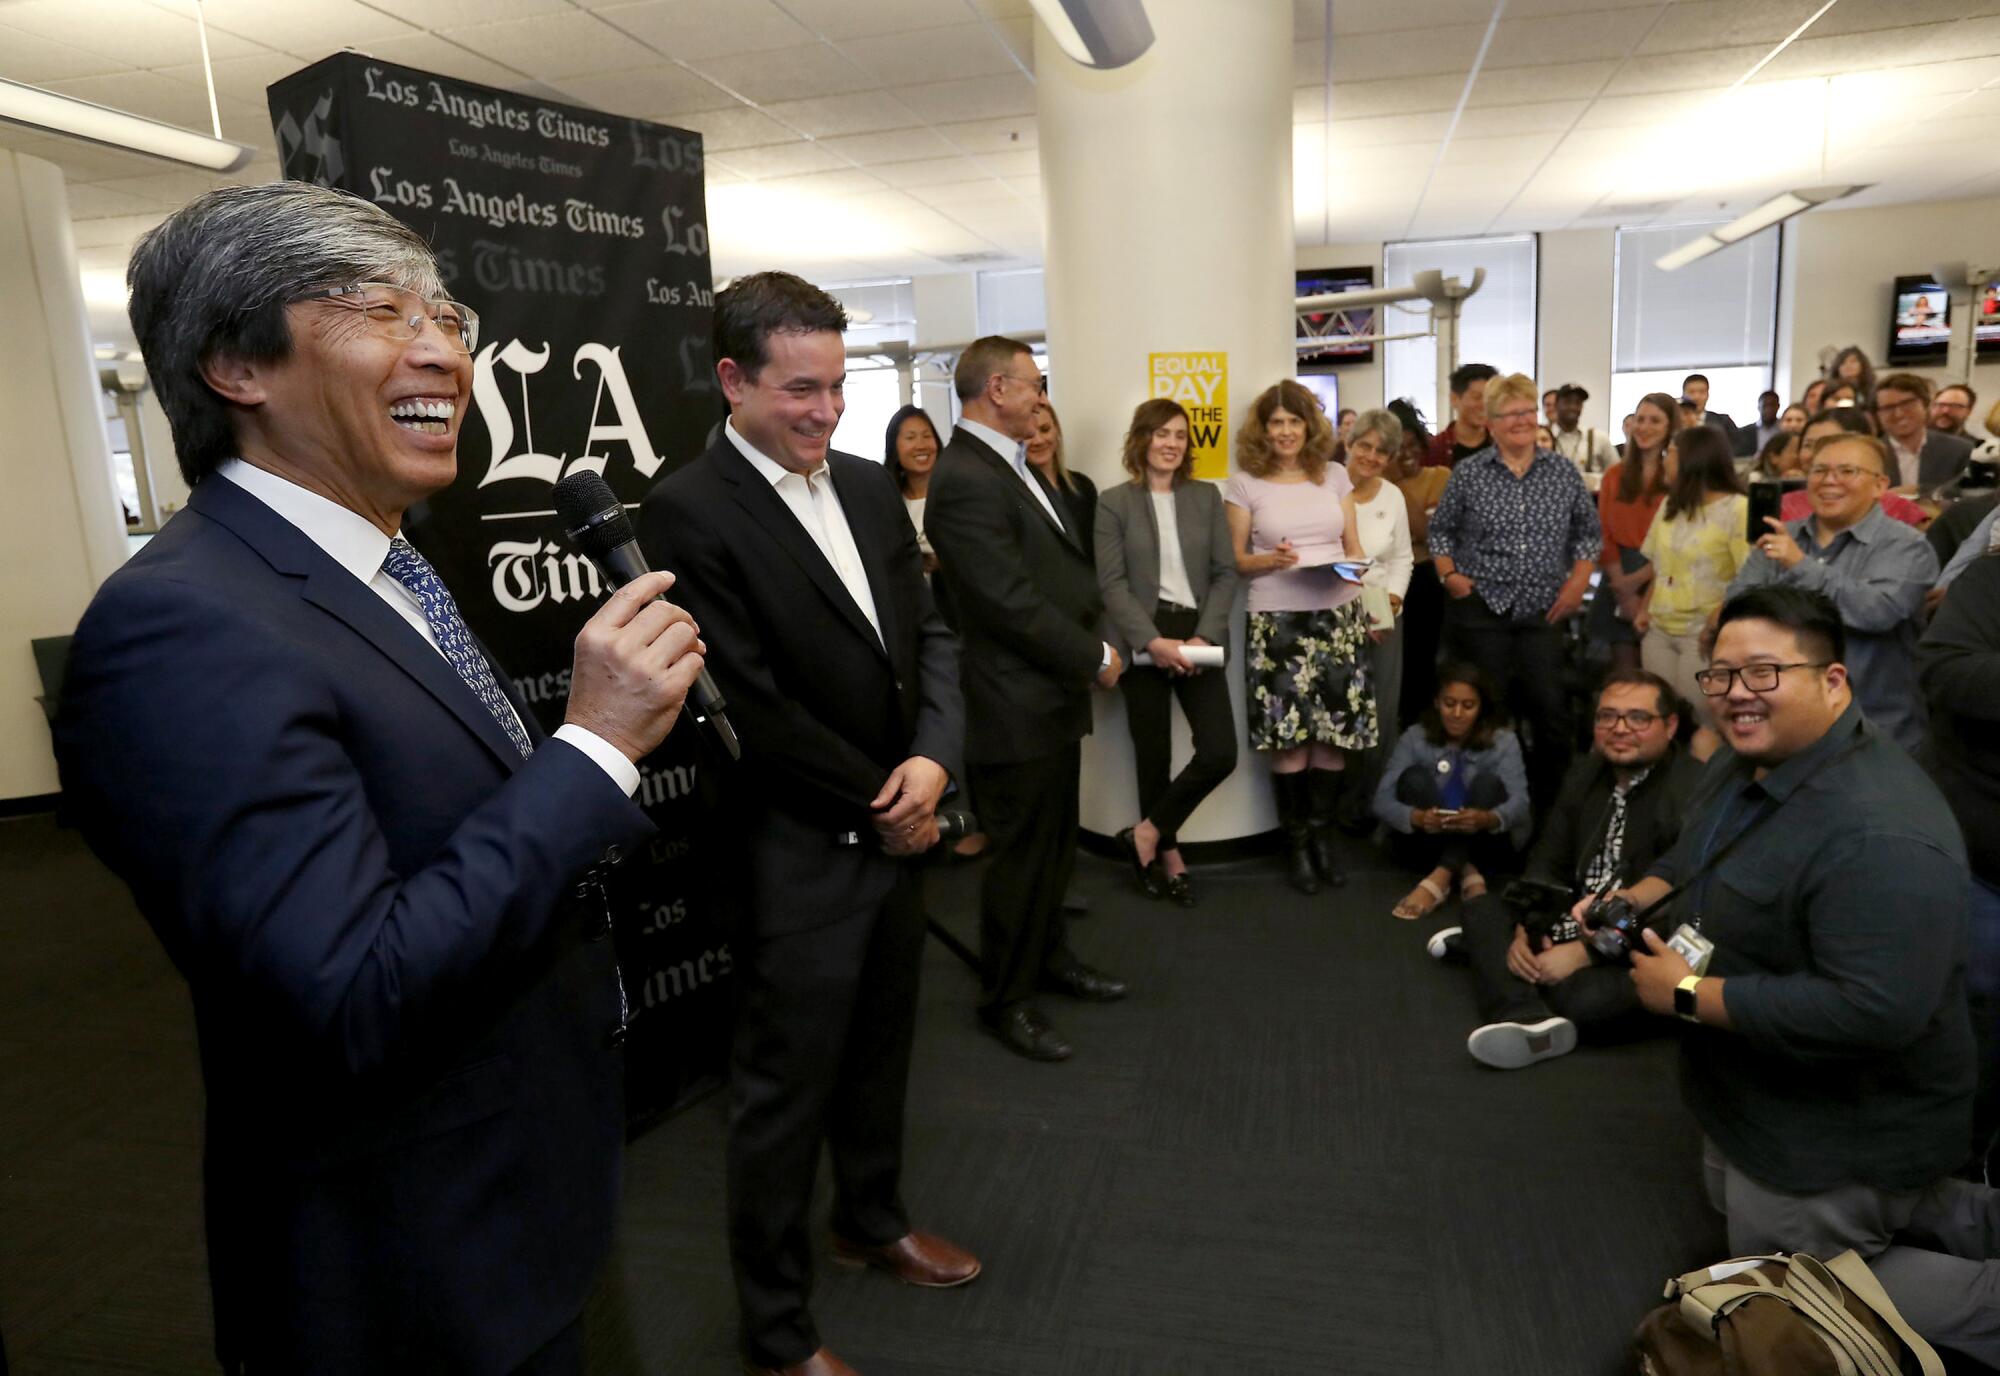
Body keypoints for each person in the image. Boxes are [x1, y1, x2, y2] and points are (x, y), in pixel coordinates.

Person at [53, 182, 707, 1374]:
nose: (441, 352)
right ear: (233, 365)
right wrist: (597, 745)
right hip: (409, 1266)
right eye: (375, 310)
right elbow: (349, 989)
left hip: (518, 1190)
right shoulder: (181, 626)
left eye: (446, 315)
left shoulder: (384, 565)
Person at [640, 273, 976, 1376]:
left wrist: (931, 760)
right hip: (793, 852)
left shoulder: (876, 487)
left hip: (897, 822)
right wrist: (889, 801)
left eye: (836, 386)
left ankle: (869, 1220)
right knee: (781, 1102)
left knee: (882, 1052)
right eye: (799, 390)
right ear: (732, 380)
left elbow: (929, 635)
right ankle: (777, 1331)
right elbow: (744, 705)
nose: (825, 412)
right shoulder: (686, 506)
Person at [1604, 586, 1999, 1367]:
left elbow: (1873, 1010)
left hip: (1836, 1129)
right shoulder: (1743, 760)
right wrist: (1639, 894)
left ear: (1834, 682)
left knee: (1786, 1291)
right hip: (1757, 1096)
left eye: (1764, 672)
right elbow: (1697, 852)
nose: (1735, 694)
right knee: (1877, 1210)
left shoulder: (1879, 831)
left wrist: (1685, 994)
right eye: (1720, 676)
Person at [925, 336, 1127, 1064]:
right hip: (1011, 704)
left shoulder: (1006, 464)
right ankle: (1006, 1000)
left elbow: (1055, 574)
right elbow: (1006, 602)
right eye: (1034, 384)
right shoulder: (966, 478)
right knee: (1018, 861)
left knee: (1051, 850)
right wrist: (1093, 655)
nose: (1042, 397)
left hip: (1044, 698)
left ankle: (1050, 960)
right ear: (998, 389)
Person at [1441, 670, 1703, 1069]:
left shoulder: (1692, 789)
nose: (1619, 729)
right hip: (1570, 914)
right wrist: (1527, 929)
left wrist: (1586, 954)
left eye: (1637, 718)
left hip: (1639, 938)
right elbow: (1549, 860)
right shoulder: (1586, 772)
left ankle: (1496, 967)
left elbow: (1679, 899)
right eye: (1607, 717)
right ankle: (1528, 1017)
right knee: (1483, 910)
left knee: (1585, 1000)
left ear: (1669, 726)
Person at [1223, 378, 1374, 894]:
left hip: (1337, 617)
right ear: (1263, 431)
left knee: (1332, 737)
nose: (1286, 431)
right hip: (1277, 621)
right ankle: (1298, 847)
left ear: (1309, 427)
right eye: (1276, 423)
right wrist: (1274, 559)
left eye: (1294, 421)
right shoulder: (1245, 484)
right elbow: (1235, 561)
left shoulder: (1334, 475)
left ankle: (1323, 838)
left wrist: (1353, 568)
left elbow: (1353, 546)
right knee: (1288, 740)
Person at [1428, 372, 1601, 810]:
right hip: (1483, 612)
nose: (1522, 420)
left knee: (1551, 715)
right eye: (1510, 413)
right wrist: (1450, 576)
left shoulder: (1562, 471)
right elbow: (1441, 532)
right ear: (1490, 422)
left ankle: (1551, 812)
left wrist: (1578, 582)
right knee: (1491, 715)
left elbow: (1588, 534)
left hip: (1545, 612)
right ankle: (1488, 810)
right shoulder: (1468, 474)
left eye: (1527, 410)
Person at [1096, 398, 1239, 908]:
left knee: (1220, 751)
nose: (1172, 443)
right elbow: (1111, 584)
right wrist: (1151, 642)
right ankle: (1169, 855)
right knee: (1152, 753)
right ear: (1142, 440)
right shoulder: (1114, 501)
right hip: (1143, 634)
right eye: (1161, 433)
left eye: (1180, 434)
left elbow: (1225, 573)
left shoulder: (1206, 496)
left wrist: (1204, 636)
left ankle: (1147, 831)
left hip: (1198, 632)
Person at [1727, 432, 1937, 756]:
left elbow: (1877, 612)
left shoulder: (1907, 545)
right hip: (1784, 725)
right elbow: (1738, 607)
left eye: (1847, 471)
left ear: (1880, 485)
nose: (1830, 481)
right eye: (1819, 471)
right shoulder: (1782, 535)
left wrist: (1798, 567)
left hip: (1875, 728)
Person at [1917, 547, 2000, 1177]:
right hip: (1983, 853)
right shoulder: (1990, 579)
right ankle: (1959, 1169)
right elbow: (1945, 670)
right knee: (1976, 1015)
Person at [1373, 665, 1530, 920]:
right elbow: (1381, 799)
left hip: (1484, 845)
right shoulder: (1416, 736)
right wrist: (1416, 817)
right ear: (1437, 703)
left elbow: (1520, 804)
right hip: (1427, 842)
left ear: (1482, 708)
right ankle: (1465, 870)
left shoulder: (1504, 741)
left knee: (1487, 783)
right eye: (1449, 704)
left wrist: (1486, 818)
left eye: (1468, 706)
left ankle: (1441, 876)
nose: (1457, 714)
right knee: (1414, 778)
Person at [1634, 426, 1749, 710]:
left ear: (1692, 458)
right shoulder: (1670, 505)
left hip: (1703, 634)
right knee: (1657, 714)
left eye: (1669, 453)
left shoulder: (1738, 509)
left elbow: (1749, 578)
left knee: (1697, 718)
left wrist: (1715, 621)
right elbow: (1660, 566)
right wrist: (1645, 607)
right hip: (1659, 628)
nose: (1663, 460)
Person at [1341, 408, 1415, 823]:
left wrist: (1392, 602)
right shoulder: (1327, 486)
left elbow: (1402, 558)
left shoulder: (1392, 495)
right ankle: (1336, 806)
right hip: (1334, 609)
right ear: (1348, 444)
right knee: (1340, 710)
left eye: (1381, 452)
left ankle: (1371, 805)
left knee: (1381, 712)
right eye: (1364, 446)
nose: (1370, 456)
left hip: (1383, 611)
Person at [1593, 392, 1676, 671]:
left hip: (1664, 576)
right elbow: (1603, 533)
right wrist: (1624, 590)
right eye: (1640, 419)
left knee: (1659, 671)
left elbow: (1681, 540)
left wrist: (1641, 579)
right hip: (1619, 575)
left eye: (1655, 420)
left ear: (1670, 427)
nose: (1645, 427)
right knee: (1624, 672)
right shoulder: (1614, 475)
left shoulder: (1680, 479)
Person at [1388, 397, 1450, 731]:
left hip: (1424, 578)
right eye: (1397, 448)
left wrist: (1393, 483)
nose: (1406, 454)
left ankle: (1419, 725)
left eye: (1412, 445)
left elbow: (1426, 532)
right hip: (1383, 580)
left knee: (1420, 660)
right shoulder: (1374, 482)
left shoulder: (1439, 477)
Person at [1784, 408, 1930, 530]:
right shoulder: (1783, 507)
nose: (1818, 455)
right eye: (1809, 445)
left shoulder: (1900, 511)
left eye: (1831, 444)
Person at [1873, 371, 1975, 492]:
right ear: (1878, 414)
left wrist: (1919, 492)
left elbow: (1971, 497)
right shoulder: (1868, 454)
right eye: (1888, 408)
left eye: (1906, 404)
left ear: (1926, 405)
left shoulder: (1959, 451)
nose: (1899, 414)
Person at [1025, 397, 1097, 563]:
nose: (1038, 440)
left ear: (1056, 431)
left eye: (1045, 429)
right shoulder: (1012, 491)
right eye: (1029, 434)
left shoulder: (1083, 487)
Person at [884, 403, 943, 578]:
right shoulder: (888, 502)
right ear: (894, 447)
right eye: (910, 438)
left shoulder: (954, 494)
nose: (921, 445)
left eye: (927, 436)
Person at [1426, 361, 1499, 467]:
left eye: (1490, 398)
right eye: (1476, 397)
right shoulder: (1435, 449)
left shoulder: (1502, 445)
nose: (1484, 405)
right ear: (1454, 398)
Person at [1549, 382, 1612, 484]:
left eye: (1578, 402)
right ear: (1556, 405)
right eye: (1568, 402)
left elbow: (1617, 474)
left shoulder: (1599, 438)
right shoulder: (1544, 438)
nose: (1573, 407)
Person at [1681, 373, 1740, 452]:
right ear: (1683, 395)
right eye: (1691, 392)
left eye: (1702, 392)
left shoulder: (1724, 422)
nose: (1697, 397)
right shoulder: (1675, 422)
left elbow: (1735, 448)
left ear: (1708, 395)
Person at [1748, 389, 1784, 455]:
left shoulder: (1783, 429)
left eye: (1772, 405)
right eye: (1765, 406)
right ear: (1759, 407)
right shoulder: (1746, 432)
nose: (1769, 410)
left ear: (1778, 406)